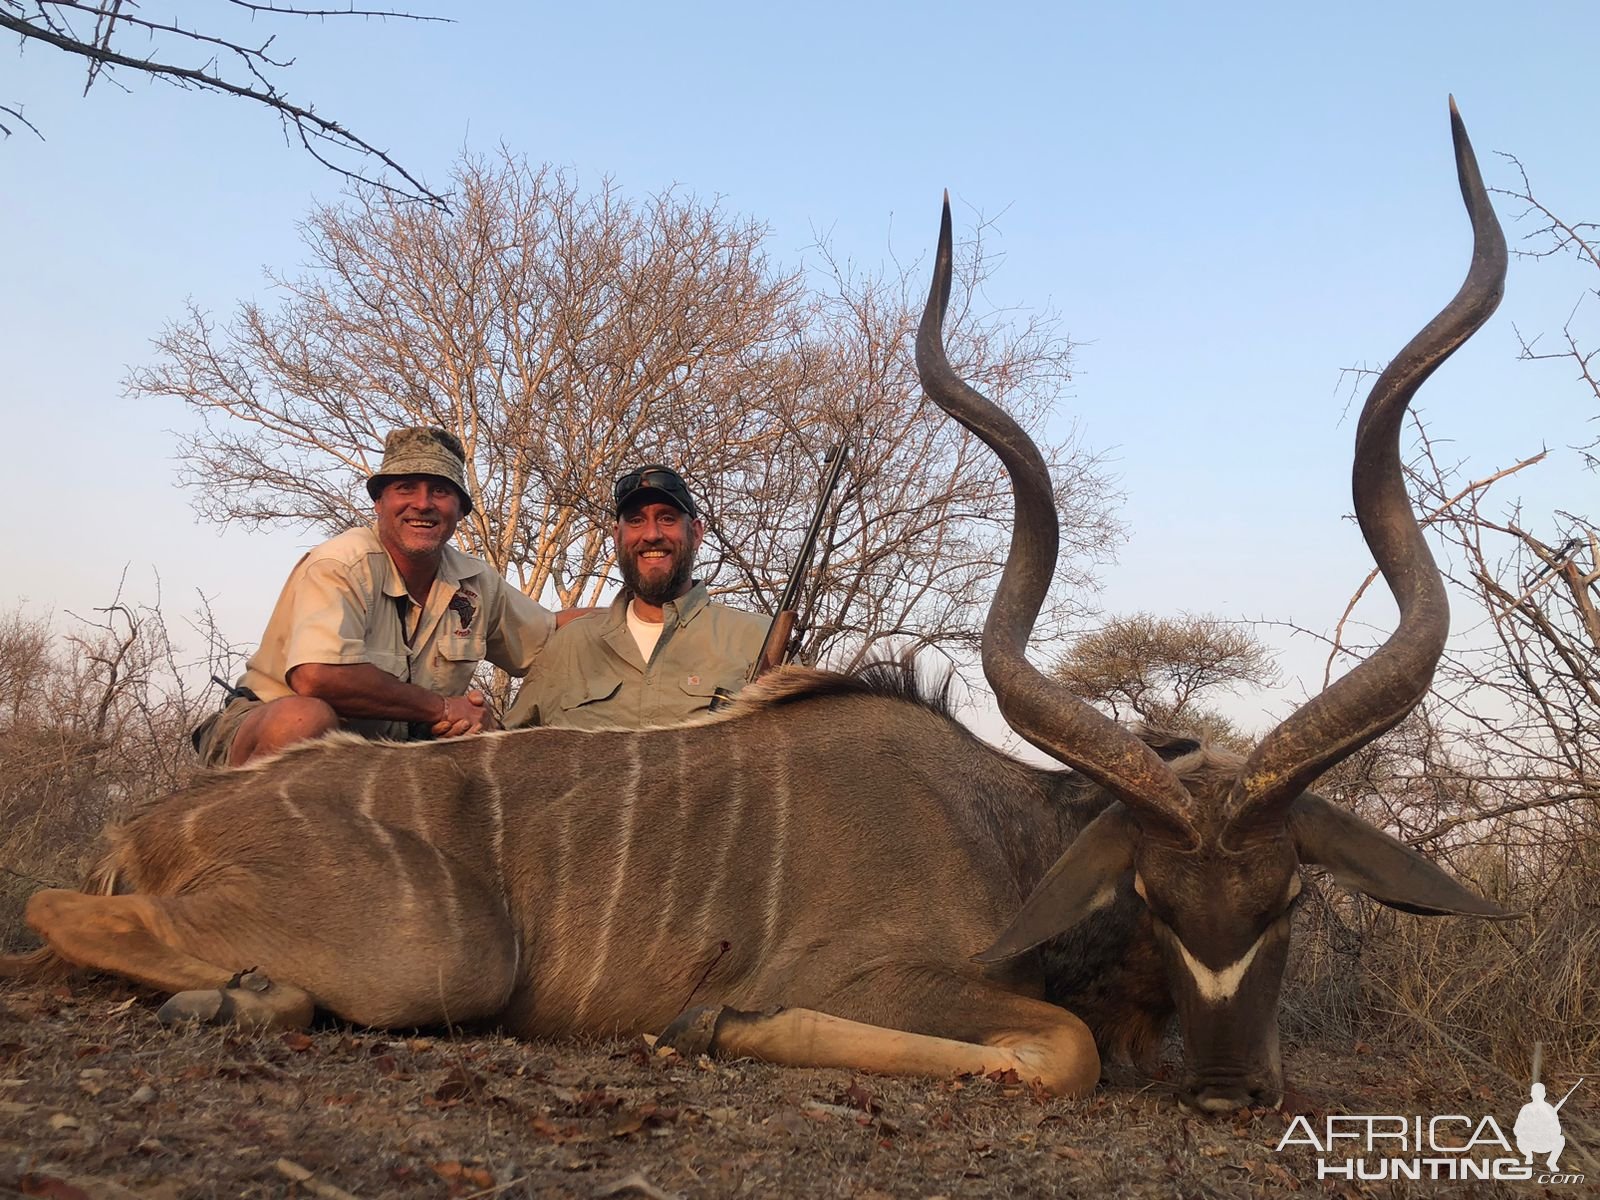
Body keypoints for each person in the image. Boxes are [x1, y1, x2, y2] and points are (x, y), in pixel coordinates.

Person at [194, 427, 556, 766]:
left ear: (461, 510)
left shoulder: (476, 581)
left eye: (440, 491)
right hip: (266, 731)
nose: (423, 504)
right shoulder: (339, 564)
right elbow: (316, 677)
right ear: (379, 502)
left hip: (384, 755)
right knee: (303, 719)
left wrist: (613, 616)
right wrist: (443, 709)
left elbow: (551, 633)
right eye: (406, 488)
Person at [505, 464, 769, 730]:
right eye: (635, 520)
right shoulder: (567, 648)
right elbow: (508, 754)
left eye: (667, 518)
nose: (652, 534)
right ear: (617, 536)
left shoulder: (760, 639)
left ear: (696, 533)